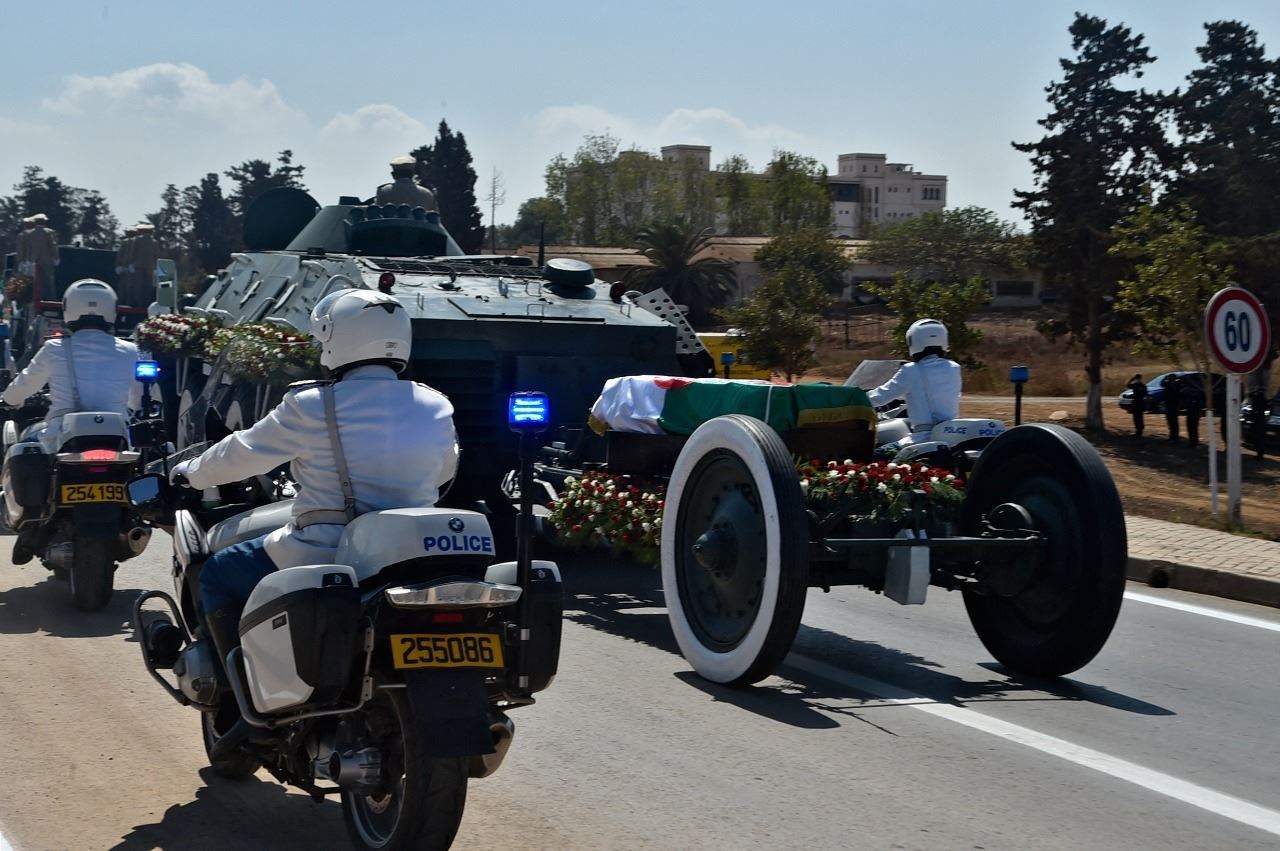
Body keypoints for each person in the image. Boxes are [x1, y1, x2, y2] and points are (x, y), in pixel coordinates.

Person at [168, 288, 459, 684]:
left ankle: (235, 692)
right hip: (408, 558)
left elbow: (243, 453)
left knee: (217, 574)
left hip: (325, 549)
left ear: (338, 339)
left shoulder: (312, 405)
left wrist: (190, 473)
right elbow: (444, 471)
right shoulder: (436, 404)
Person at [1, 279, 141, 452]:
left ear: (68, 307)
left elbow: (26, 384)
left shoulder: (54, 348)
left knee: (20, 449)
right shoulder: (130, 350)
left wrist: (8, 398)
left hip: (61, 439)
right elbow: (137, 399)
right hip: (116, 439)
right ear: (112, 308)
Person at [866, 319, 962, 446]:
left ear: (914, 341)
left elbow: (881, 396)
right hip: (950, 437)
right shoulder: (954, 368)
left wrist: (858, 398)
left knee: (878, 454)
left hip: (923, 438)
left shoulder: (911, 370)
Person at [1183, 378, 1205, 447]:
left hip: (1195, 412)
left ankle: (1194, 442)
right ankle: (1192, 442)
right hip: (1190, 411)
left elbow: (1200, 404)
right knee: (1190, 427)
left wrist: (1200, 412)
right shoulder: (1189, 392)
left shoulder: (1197, 392)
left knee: (1193, 428)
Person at [1162, 373, 1182, 442]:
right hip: (1169, 405)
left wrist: (1166, 379)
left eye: (1170, 378)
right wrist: (1165, 378)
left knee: (1173, 422)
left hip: (1173, 405)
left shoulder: (1176, 385)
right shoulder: (1169, 385)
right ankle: (1172, 436)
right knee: (1170, 422)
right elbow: (1162, 384)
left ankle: (1175, 437)